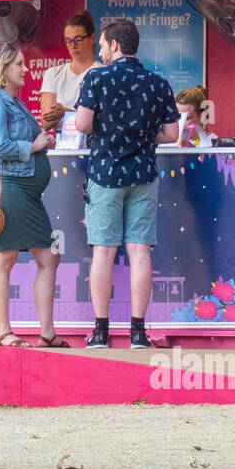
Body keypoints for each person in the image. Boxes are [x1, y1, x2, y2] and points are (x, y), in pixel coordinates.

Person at [74, 19, 180, 350]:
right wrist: (143, 138)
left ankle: (101, 332)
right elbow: (172, 134)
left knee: (103, 252)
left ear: (115, 45)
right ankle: (138, 332)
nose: (101, 51)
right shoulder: (157, 82)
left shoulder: (96, 77)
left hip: (105, 174)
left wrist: (109, 132)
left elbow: (82, 124)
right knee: (139, 251)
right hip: (143, 174)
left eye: (103, 45)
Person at [0, 44, 65, 348]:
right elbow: (0, 148)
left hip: (24, 189)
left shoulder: (15, 103)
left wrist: (44, 139)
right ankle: (4, 333)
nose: (25, 69)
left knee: (48, 257)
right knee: (4, 258)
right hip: (7, 186)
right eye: (19, 64)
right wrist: (36, 146)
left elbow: (26, 141)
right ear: (2, 71)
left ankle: (47, 332)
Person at [39, 9, 103, 132]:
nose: (73, 45)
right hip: (62, 147)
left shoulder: (102, 72)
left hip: (93, 145)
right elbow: (46, 123)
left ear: (92, 38)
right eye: (68, 41)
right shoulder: (53, 74)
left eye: (78, 39)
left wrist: (64, 112)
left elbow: (105, 119)